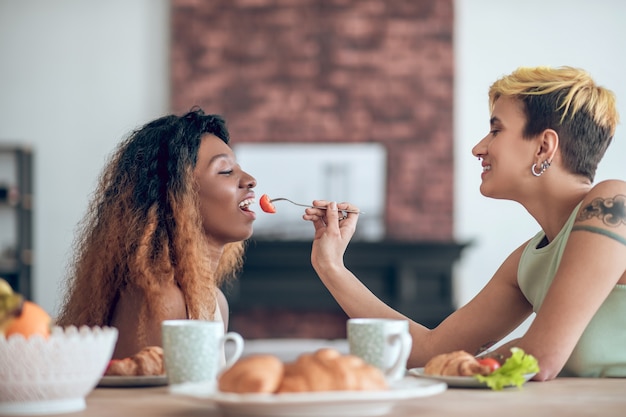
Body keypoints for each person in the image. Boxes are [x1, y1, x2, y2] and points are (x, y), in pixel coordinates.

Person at [303, 66, 625, 381]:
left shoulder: (613, 204)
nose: (478, 148)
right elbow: (429, 351)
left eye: (496, 130)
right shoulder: (528, 261)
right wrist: (331, 265)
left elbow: (542, 358)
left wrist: (462, 364)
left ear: (543, 147)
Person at [56, 108, 258, 359]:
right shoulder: (161, 300)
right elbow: (142, 398)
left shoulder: (215, 300)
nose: (250, 180)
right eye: (226, 171)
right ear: (175, 197)